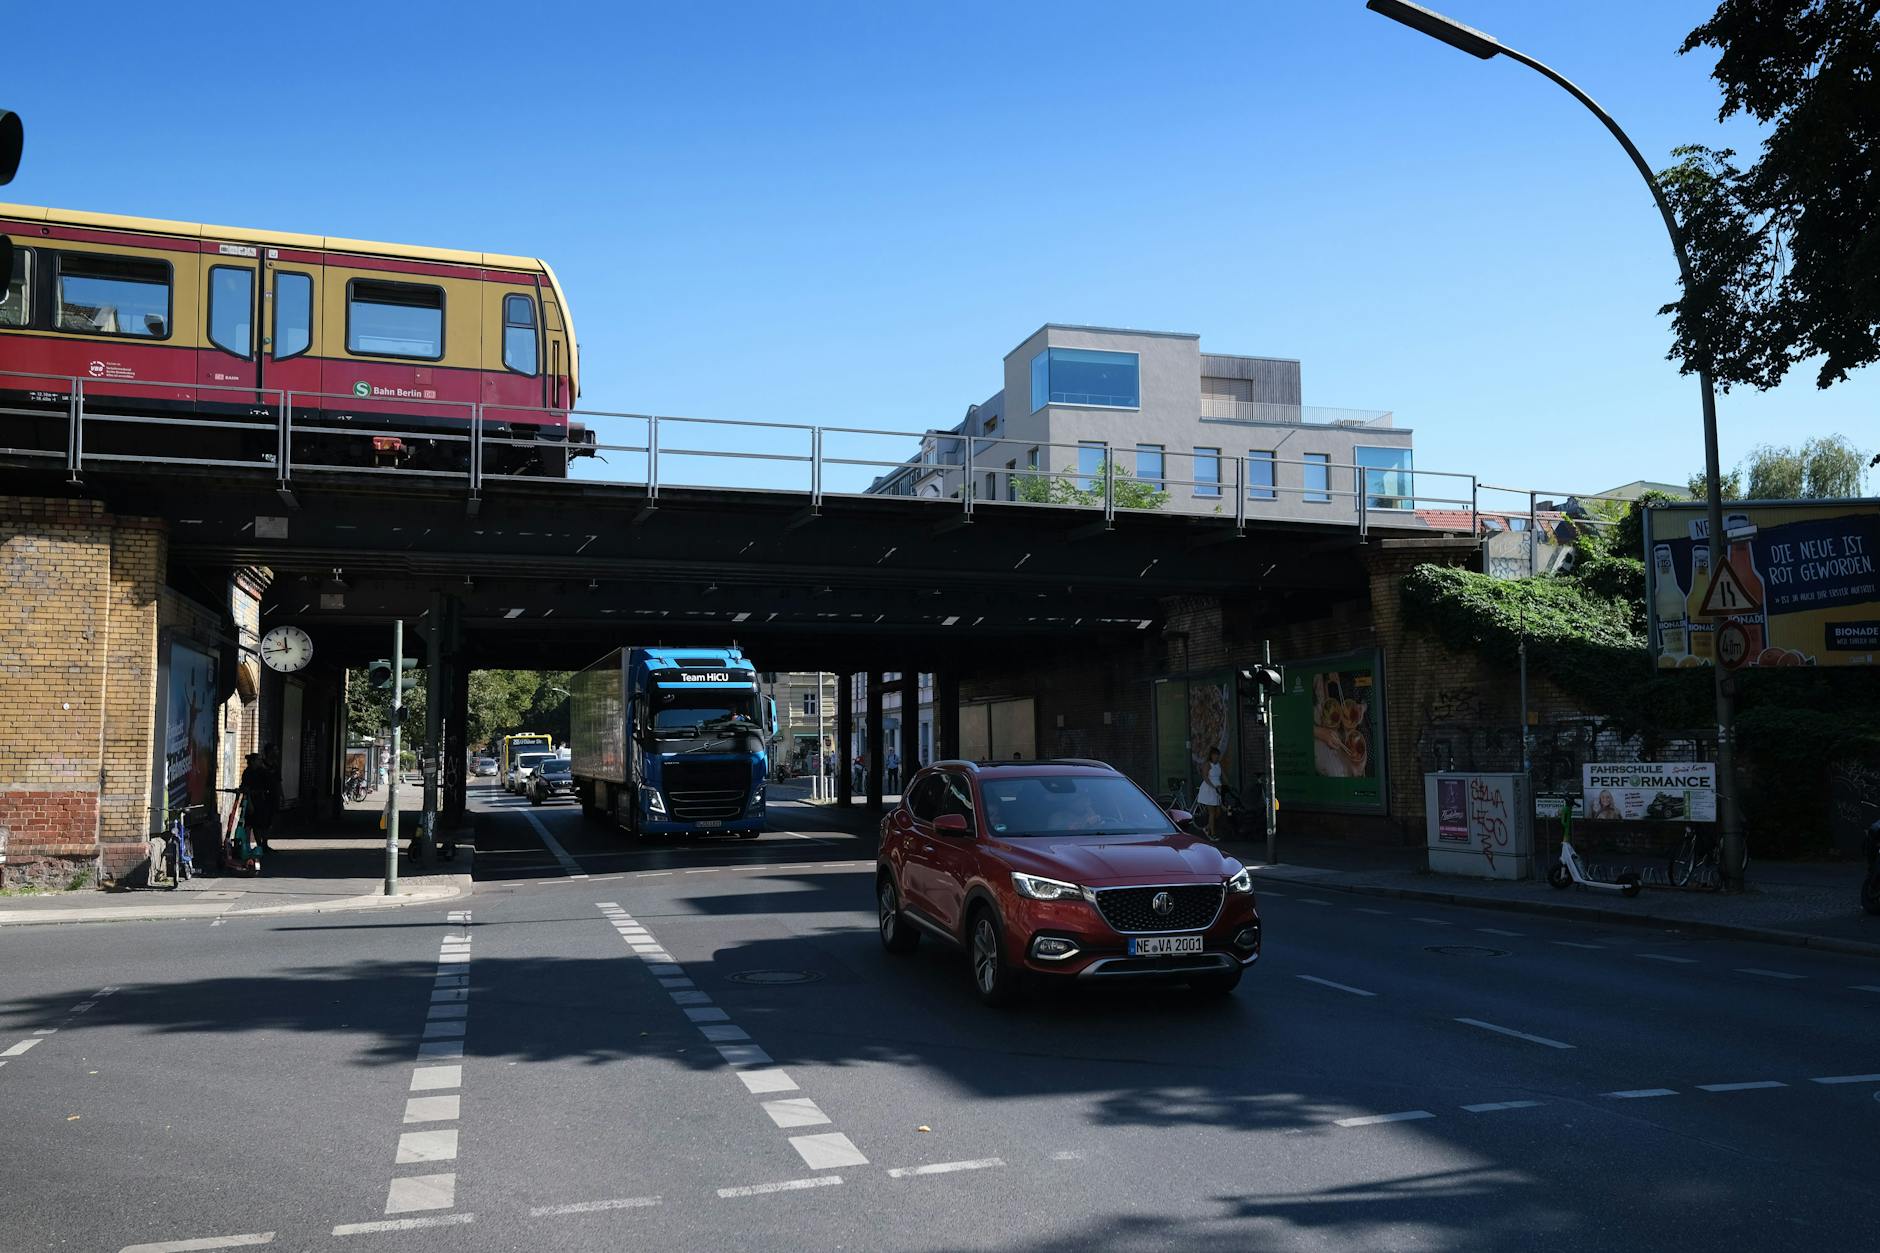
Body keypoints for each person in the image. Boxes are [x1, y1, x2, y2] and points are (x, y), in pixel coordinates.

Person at [240, 749, 282, 856]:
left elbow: (272, 783)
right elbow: (245, 787)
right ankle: (252, 845)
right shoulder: (247, 772)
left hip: (262, 800)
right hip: (251, 800)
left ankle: (264, 845)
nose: (260, 761)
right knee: (252, 824)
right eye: (258, 760)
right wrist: (248, 800)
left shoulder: (262, 771)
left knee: (264, 823)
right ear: (253, 761)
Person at [1195, 746, 1225, 841]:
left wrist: (1228, 785)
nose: (1216, 757)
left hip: (1218, 790)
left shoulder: (1218, 765)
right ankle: (1212, 834)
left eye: (1218, 755)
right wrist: (1213, 786)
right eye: (1215, 755)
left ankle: (1207, 828)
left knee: (1218, 812)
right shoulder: (1207, 764)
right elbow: (1205, 777)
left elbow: (1223, 776)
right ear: (1211, 756)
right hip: (1209, 789)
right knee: (1212, 812)